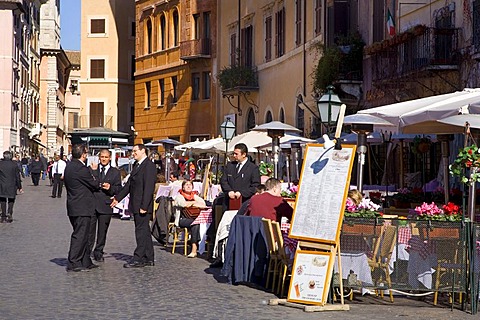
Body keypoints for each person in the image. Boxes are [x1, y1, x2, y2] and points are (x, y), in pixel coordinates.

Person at [111, 144, 157, 268]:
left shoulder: (149, 166)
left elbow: (148, 188)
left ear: (143, 151)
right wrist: (117, 199)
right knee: (145, 231)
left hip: (142, 205)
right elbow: (129, 185)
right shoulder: (137, 165)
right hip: (136, 204)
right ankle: (149, 257)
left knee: (141, 232)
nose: (133, 153)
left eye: (135, 151)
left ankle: (139, 258)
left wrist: (144, 206)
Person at [64, 144, 100, 272]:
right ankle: (74, 262)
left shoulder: (69, 166)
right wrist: (95, 171)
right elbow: (94, 184)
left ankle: (85, 260)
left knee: (85, 235)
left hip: (74, 205)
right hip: (82, 207)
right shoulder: (81, 168)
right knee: (80, 235)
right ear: (84, 154)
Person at [88, 149, 122, 262]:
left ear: (110, 158)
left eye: (106, 157)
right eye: (102, 157)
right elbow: (88, 184)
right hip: (92, 204)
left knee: (102, 231)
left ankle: (98, 251)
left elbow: (118, 189)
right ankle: (87, 251)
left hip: (106, 205)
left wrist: (110, 188)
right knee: (90, 231)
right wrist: (93, 173)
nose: (103, 159)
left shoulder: (115, 172)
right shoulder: (93, 168)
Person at [220, 143, 260, 209]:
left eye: (236, 154)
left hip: (244, 203)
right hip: (228, 203)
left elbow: (255, 186)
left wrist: (241, 193)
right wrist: (229, 191)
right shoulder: (230, 166)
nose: (234, 155)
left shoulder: (253, 168)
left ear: (244, 154)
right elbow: (223, 180)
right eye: (233, 153)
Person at [173, 180, 206, 258]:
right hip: (182, 219)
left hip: (193, 218)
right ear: (183, 187)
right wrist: (195, 203)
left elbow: (203, 204)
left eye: (190, 185)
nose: (188, 186)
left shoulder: (194, 196)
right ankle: (194, 249)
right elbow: (183, 204)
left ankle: (197, 246)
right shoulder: (179, 196)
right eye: (186, 185)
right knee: (195, 223)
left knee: (198, 223)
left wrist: (191, 203)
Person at [0, 151, 22, 223]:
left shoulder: (0, 164)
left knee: (2, 200)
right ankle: (9, 213)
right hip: (12, 185)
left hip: (2, 185)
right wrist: (19, 187)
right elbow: (17, 176)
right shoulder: (14, 165)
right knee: (11, 200)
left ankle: (3, 216)